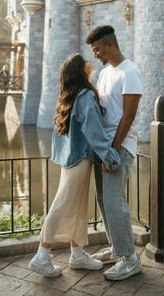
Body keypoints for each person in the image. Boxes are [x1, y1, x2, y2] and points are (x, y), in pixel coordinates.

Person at [28, 53, 120, 278]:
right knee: (62, 205)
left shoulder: (70, 95)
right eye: (86, 60)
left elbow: (61, 135)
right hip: (80, 159)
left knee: (78, 206)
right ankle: (41, 256)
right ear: (82, 70)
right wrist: (111, 157)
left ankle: (77, 254)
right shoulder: (86, 95)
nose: (91, 61)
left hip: (70, 158)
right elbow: (94, 132)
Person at [86, 25, 143, 281]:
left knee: (115, 202)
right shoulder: (105, 73)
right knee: (103, 201)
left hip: (119, 147)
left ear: (110, 44)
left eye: (97, 49)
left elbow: (129, 115)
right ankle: (117, 248)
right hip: (104, 147)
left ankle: (130, 259)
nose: (95, 54)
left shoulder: (129, 72)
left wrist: (114, 151)